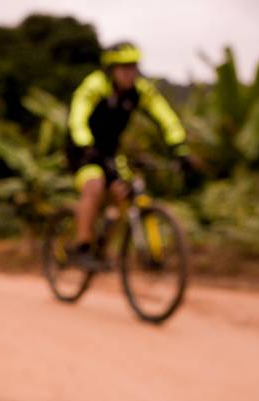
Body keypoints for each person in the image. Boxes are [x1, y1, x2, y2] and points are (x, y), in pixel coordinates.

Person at [66, 41, 190, 270]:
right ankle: (82, 247)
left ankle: (102, 243)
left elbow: (166, 117)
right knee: (95, 185)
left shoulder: (140, 91)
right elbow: (78, 116)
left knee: (124, 195)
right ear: (112, 69)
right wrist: (85, 144)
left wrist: (178, 146)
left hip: (111, 153)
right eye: (124, 68)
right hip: (83, 148)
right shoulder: (95, 85)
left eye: (133, 67)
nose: (130, 73)